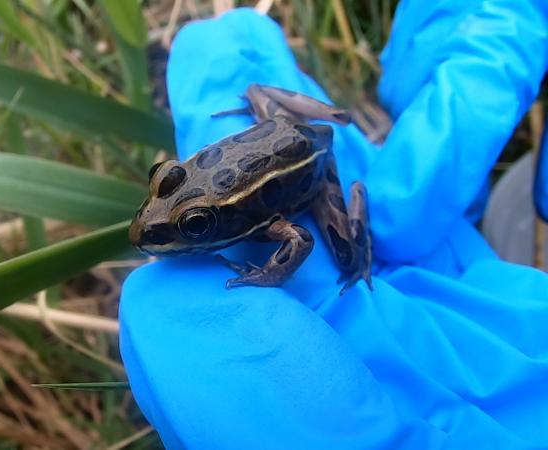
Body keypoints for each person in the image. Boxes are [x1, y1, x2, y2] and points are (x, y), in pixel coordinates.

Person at [119, 3, 548, 449]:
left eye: (194, 224)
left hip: (313, 174)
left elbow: (299, 238)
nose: (151, 226)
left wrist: (270, 275)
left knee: (347, 259)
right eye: (167, 179)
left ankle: (360, 201)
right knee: (251, 88)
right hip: (283, 128)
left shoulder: (265, 222)